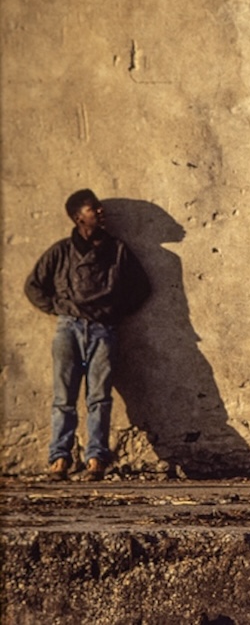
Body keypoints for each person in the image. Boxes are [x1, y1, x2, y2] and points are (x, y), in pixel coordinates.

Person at [24, 189, 152, 480]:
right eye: (94, 209)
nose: (100, 212)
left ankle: (95, 460)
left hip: (103, 331)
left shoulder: (118, 250)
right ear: (77, 217)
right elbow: (34, 286)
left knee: (99, 397)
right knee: (63, 398)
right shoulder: (60, 252)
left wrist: (113, 312)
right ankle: (60, 460)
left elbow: (141, 287)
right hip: (68, 328)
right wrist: (59, 309)